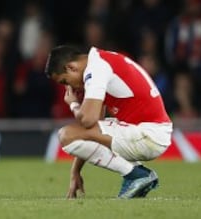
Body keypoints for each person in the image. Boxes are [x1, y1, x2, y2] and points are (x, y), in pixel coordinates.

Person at [45, 45, 173, 199]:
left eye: (65, 81)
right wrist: (75, 171)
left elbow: (88, 120)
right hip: (150, 133)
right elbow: (91, 130)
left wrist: (73, 104)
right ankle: (137, 176)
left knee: (65, 134)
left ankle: (136, 175)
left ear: (71, 67)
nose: (69, 87)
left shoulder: (96, 69)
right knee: (71, 134)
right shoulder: (101, 61)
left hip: (148, 134)